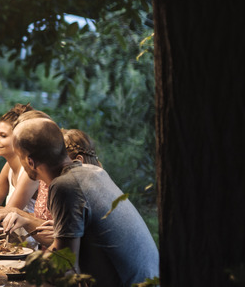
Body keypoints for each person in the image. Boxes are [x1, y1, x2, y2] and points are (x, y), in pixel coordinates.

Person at [12, 114, 159, 286]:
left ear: (30, 161)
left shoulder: (65, 187)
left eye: (18, 156)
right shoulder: (91, 171)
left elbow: (66, 269)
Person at [1, 127, 103, 246]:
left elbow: (67, 255)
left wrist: (25, 220)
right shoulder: (97, 176)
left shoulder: (67, 186)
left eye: (56, 158)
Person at [0, 104, 41, 221]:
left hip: (30, 238)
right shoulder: (8, 166)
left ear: (20, 138)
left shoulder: (30, 169)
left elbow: (7, 213)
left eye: (3, 136)